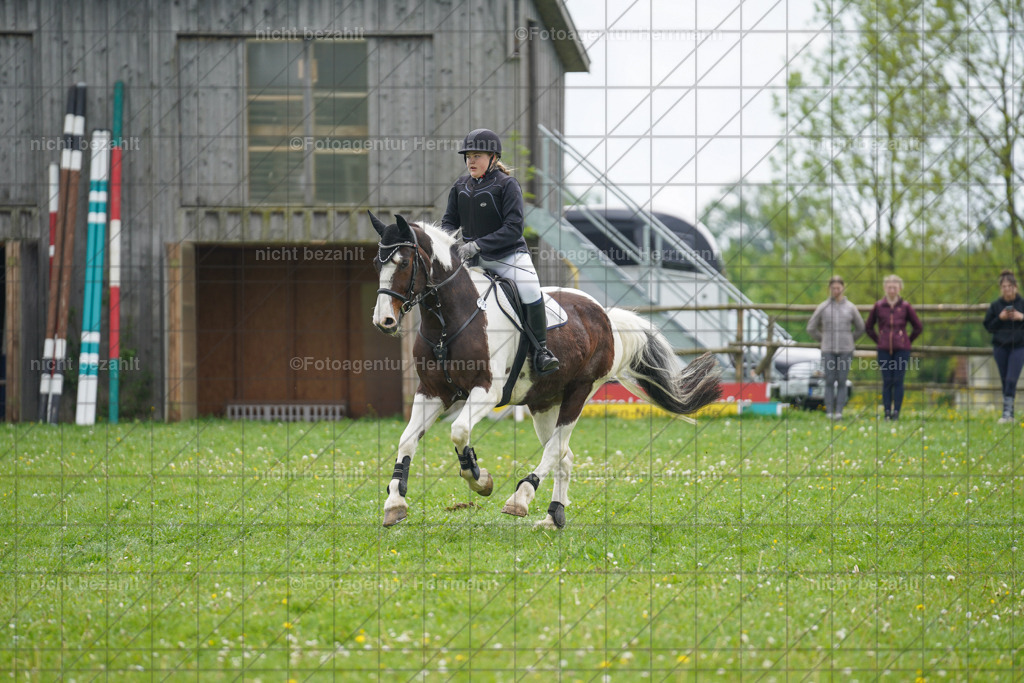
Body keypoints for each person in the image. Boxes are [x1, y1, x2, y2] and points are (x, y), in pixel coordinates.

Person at [440, 128, 559, 374]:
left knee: (528, 288)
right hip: (473, 262)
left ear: (493, 158)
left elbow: (514, 228)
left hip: (508, 257)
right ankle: (444, 348)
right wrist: (450, 244)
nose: (471, 160)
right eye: (468, 156)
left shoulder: (507, 185)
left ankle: (541, 351)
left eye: (477, 155)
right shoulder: (460, 186)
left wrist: (478, 245)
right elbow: (449, 222)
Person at [807, 275, 866, 420]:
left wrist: (850, 340)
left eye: (838, 288)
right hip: (828, 350)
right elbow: (811, 327)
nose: (836, 290)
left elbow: (860, 327)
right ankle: (829, 412)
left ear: (843, 288)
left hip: (846, 350)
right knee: (828, 380)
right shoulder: (823, 307)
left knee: (842, 380)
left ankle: (839, 411)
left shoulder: (851, 307)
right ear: (830, 289)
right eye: (833, 288)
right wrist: (823, 339)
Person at [865, 274, 923, 420]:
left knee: (898, 381)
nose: (892, 290)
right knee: (887, 381)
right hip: (884, 349)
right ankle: (886, 412)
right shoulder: (878, 306)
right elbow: (869, 327)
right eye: (889, 287)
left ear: (900, 288)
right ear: (885, 288)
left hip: (901, 350)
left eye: (894, 287)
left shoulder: (905, 306)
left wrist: (906, 340)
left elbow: (918, 327)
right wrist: (880, 340)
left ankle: (896, 411)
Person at [983, 270, 1024, 423]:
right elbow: (989, 327)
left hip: (1019, 346)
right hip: (1000, 347)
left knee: (1011, 379)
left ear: (1015, 287)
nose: (1007, 289)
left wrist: (1021, 317)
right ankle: (1008, 413)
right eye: (1004, 286)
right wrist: (1000, 318)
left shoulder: (1022, 304)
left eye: (1009, 286)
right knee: (1004, 379)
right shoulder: (996, 306)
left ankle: (1008, 413)